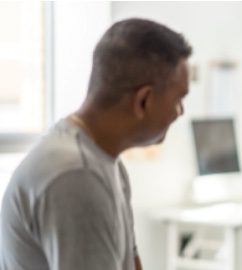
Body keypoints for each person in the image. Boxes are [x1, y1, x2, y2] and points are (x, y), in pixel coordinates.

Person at [1, 18, 191, 270]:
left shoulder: (106, 159)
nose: (180, 111)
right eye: (178, 98)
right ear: (143, 100)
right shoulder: (75, 175)